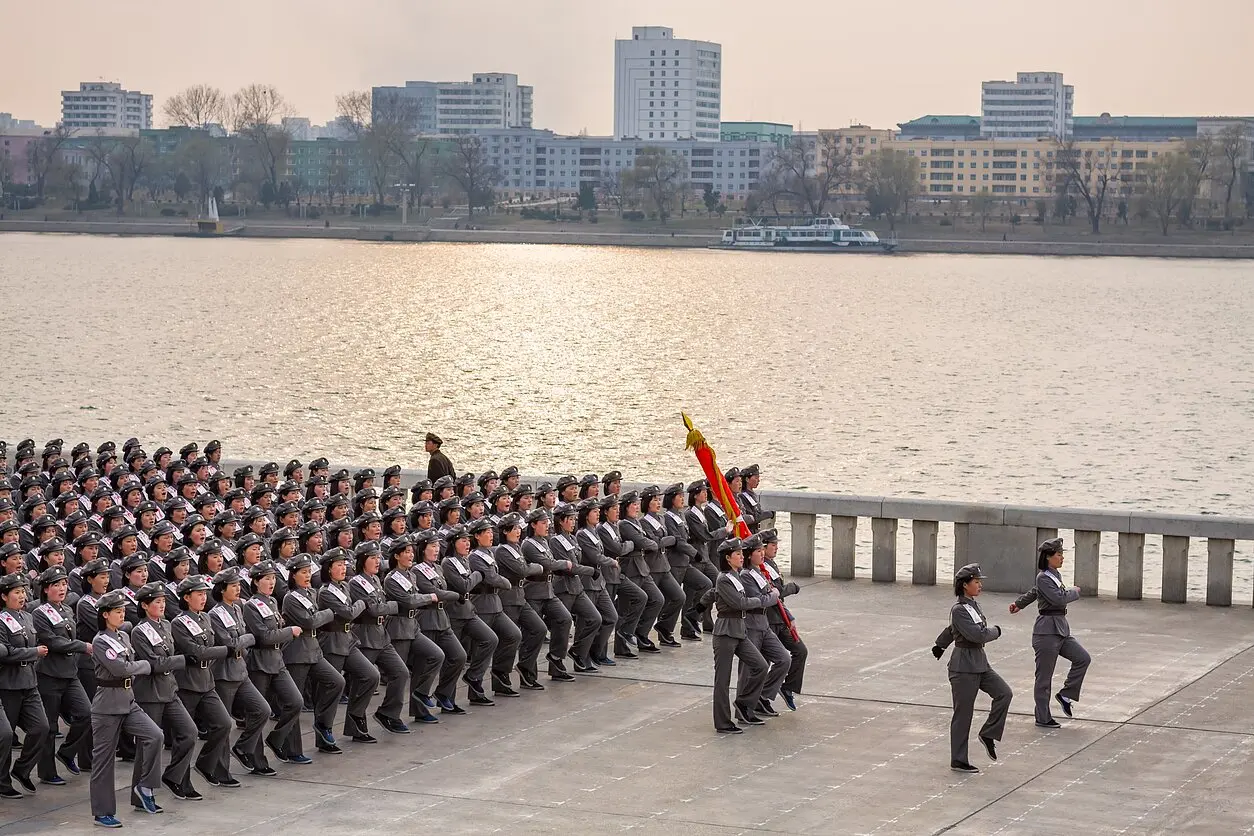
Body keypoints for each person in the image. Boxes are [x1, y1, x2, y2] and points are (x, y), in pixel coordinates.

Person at [88, 588, 165, 826]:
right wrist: (143, 665)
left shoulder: (123, 636)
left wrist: (135, 666)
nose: (122, 615)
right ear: (105, 615)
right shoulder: (100, 641)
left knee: (155, 735)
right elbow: (122, 669)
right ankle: (103, 812)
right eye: (117, 612)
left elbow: (128, 665)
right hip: (107, 705)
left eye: (122, 611)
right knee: (103, 761)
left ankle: (144, 786)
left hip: (128, 700)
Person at [932, 563, 1011, 773]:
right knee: (963, 714)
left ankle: (988, 733)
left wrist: (940, 644)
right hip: (963, 667)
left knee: (1004, 693)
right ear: (965, 585)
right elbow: (978, 634)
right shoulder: (959, 610)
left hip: (980, 662)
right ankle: (958, 759)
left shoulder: (972, 605)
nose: (980, 585)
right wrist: (997, 631)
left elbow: (951, 630)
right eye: (976, 582)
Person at [1009, 537, 1090, 728]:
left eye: (1062, 554)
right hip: (1046, 632)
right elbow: (1056, 598)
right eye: (1059, 555)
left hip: (1061, 629)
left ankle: (1066, 695)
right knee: (1044, 678)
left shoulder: (1053, 575)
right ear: (1048, 557)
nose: (1062, 558)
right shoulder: (1044, 577)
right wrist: (1075, 591)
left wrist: (1019, 603)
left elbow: (1035, 592)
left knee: (1083, 658)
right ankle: (1043, 717)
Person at [129, 582, 200, 800]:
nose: (161, 605)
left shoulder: (166, 625)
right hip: (150, 694)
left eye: (163, 601)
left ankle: (173, 776)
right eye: (156, 602)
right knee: (148, 745)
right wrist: (181, 660)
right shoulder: (139, 631)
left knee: (190, 732)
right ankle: (141, 792)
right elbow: (154, 663)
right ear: (144, 605)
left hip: (170, 690)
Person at [170, 575, 237, 789]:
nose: (203, 598)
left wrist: (218, 651)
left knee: (224, 723)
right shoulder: (179, 623)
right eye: (198, 594)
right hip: (187, 683)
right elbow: (197, 652)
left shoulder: (205, 618)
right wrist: (227, 650)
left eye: (204, 594)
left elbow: (210, 647)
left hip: (207, 681)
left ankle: (207, 764)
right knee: (185, 736)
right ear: (187, 597)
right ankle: (180, 780)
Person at [207, 567, 272, 776]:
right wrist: (248, 639)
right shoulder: (215, 614)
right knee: (223, 725)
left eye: (238, 585)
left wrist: (243, 641)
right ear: (222, 589)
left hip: (240, 670)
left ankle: (243, 747)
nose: (237, 589)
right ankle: (219, 770)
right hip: (224, 673)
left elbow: (240, 640)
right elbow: (231, 643)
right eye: (233, 586)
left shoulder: (237, 608)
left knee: (262, 709)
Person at [31, 565, 92, 787]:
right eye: (56, 585)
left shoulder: (67, 610)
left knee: (86, 714)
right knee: (50, 726)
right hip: (49, 675)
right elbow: (51, 641)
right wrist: (80, 646)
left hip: (70, 673)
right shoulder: (39, 613)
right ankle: (47, 772)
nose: (62, 588)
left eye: (64, 584)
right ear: (46, 589)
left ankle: (67, 752)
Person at [279, 554, 344, 759]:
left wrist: (323, 615)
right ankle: (291, 749)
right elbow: (309, 621)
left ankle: (323, 726)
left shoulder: (310, 593)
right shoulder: (291, 598)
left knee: (336, 681)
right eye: (303, 572)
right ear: (293, 575)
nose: (308, 576)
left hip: (314, 649)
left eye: (309, 572)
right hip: (297, 653)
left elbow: (316, 619)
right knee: (294, 702)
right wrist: (330, 613)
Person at [240, 560, 304, 765]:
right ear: (256, 582)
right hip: (259, 662)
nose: (271, 582)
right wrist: (289, 632)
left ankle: (277, 739)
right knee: (258, 712)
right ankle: (254, 757)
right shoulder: (250, 606)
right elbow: (264, 637)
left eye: (273, 578)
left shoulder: (272, 602)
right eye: (266, 578)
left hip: (277, 660)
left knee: (295, 701)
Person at [705, 539, 771, 734]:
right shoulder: (724, 578)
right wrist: (760, 600)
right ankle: (723, 722)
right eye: (738, 554)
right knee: (722, 680)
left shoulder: (737, 576)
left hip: (739, 630)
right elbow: (739, 603)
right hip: (726, 631)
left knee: (760, 665)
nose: (742, 557)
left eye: (742, 554)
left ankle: (743, 704)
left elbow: (713, 595)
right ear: (728, 558)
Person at [316, 548, 381, 743]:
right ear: (329, 569)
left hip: (348, 639)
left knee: (371, 675)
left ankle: (356, 719)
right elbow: (349, 613)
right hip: (332, 641)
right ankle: (324, 730)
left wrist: (358, 605)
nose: (343, 568)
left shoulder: (343, 587)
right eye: (338, 565)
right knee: (331, 689)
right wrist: (362, 602)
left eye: (344, 564)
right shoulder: (326, 592)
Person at [381, 536, 446, 725]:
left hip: (413, 626)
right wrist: (429, 597)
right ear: (396, 555)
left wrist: (422, 598)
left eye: (411, 551)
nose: (410, 555)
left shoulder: (411, 575)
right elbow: (409, 600)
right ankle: (389, 714)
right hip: (399, 628)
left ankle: (420, 694)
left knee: (436, 655)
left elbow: (415, 598)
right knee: (399, 675)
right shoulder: (392, 578)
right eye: (406, 552)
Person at [347, 542, 409, 734]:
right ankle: (355, 722)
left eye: (378, 557)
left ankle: (388, 713)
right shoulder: (356, 582)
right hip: (365, 635)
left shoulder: (374, 580)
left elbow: (379, 607)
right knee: (365, 680)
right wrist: (393, 606)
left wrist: (387, 606)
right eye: (372, 558)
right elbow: (374, 609)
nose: (377, 562)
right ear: (362, 560)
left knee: (401, 672)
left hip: (382, 635)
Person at [0, 572, 51, 798]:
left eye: (23, 591)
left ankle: (21, 769)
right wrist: (33, 652)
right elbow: (5, 653)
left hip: (30, 683)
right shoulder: (1, 620)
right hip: (9, 684)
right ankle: (2, 782)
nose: (22, 596)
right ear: (4, 596)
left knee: (42, 727)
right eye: (16, 592)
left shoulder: (27, 617)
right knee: (6, 736)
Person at [409, 530, 469, 713]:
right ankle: (419, 710)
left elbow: (442, 592)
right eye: (432, 546)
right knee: (424, 664)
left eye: (437, 546)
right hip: (426, 619)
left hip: (442, 619)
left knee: (459, 656)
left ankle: (443, 694)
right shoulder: (416, 571)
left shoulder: (437, 568)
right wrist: (455, 595)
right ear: (422, 549)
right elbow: (435, 593)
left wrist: (448, 595)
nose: (436, 550)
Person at [440, 525, 500, 704]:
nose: (467, 543)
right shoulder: (448, 562)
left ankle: (474, 677)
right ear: (453, 543)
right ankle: (446, 698)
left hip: (468, 610)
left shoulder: (466, 560)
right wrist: (478, 574)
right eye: (462, 540)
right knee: (454, 658)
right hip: (454, 613)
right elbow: (464, 585)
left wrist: (474, 576)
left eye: (468, 540)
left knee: (490, 639)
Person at [465, 518, 522, 698]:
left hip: (495, 602)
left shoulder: (490, 552)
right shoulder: (475, 556)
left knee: (513, 634)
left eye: (491, 532)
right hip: (482, 603)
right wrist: (506, 583)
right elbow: (491, 578)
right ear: (477, 536)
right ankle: (475, 682)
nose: (491, 535)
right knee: (484, 644)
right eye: (486, 532)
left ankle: (500, 674)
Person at [738, 536, 792, 718]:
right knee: (749, 669)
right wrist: (774, 594)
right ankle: (744, 707)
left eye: (763, 550)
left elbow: (770, 595)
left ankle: (763, 695)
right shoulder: (745, 576)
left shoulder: (759, 573)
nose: (762, 554)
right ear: (748, 555)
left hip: (764, 624)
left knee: (784, 659)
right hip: (752, 624)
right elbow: (761, 600)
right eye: (758, 551)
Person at [493, 513, 548, 691]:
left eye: (518, 528)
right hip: (508, 598)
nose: (518, 532)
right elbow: (522, 570)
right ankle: (501, 675)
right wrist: (538, 567)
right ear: (505, 531)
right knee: (509, 638)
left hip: (520, 596)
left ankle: (525, 667)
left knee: (539, 629)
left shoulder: (516, 548)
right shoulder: (502, 550)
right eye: (514, 528)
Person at [520, 511, 574, 682]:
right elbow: (547, 564)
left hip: (548, 590)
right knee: (533, 633)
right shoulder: (528, 544)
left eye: (548, 522)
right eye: (543, 523)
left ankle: (556, 659)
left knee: (564, 619)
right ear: (533, 525)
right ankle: (527, 670)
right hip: (534, 592)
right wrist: (564, 563)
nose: (547, 525)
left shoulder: (544, 542)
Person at [548, 505, 600, 673]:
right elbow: (569, 567)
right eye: (569, 519)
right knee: (562, 627)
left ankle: (577, 651)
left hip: (577, 587)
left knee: (595, 618)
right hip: (564, 587)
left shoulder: (572, 538)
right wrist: (590, 571)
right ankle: (556, 666)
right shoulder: (556, 541)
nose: (573, 522)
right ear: (560, 521)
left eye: (573, 519)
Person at [759, 529, 806, 711]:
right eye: (772, 545)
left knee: (800, 651)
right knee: (772, 660)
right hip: (769, 619)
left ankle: (787, 687)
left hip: (781, 617)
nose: (776, 548)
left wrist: (789, 616)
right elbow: (773, 593)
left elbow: (778, 597)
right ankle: (762, 696)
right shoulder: (761, 568)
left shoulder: (772, 565)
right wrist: (791, 588)